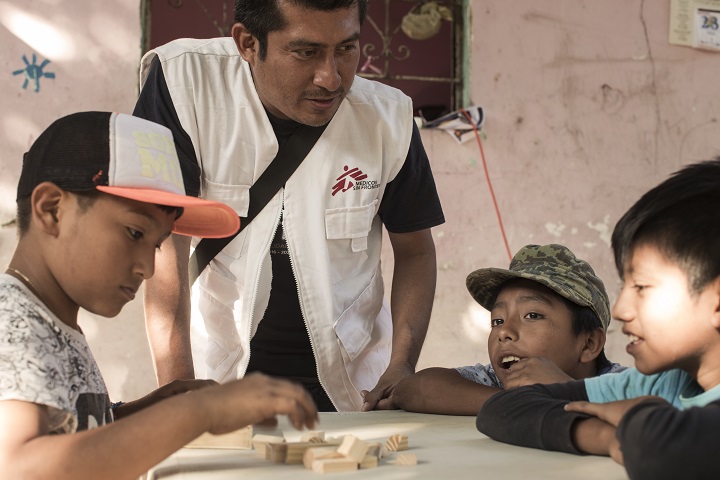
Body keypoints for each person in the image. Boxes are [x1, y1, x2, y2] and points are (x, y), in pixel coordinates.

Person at [132, 0, 444, 412]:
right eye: (306, 52)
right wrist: (179, 392)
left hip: (352, 387)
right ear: (247, 43)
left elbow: (416, 251)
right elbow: (161, 242)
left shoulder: (389, 118)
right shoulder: (183, 84)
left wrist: (401, 364)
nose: (331, 78)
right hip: (220, 376)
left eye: (347, 48)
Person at [0, 111, 318, 480]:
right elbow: (17, 465)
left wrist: (144, 411)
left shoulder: (47, 317)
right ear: (52, 210)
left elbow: (66, 430)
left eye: (157, 245)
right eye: (135, 233)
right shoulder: (13, 324)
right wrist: (199, 413)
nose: (148, 269)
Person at [477, 159, 720, 480]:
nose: (620, 309)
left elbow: (668, 446)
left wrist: (637, 418)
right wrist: (609, 436)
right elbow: (501, 410)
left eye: (642, 287)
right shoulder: (660, 383)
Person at [393, 244, 625, 415]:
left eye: (532, 315)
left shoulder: (621, 385)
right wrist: (519, 401)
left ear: (589, 343)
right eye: (497, 320)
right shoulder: (495, 381)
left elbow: (655, 415)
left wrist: (566, 391)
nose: (504, 332)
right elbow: (414, 389)